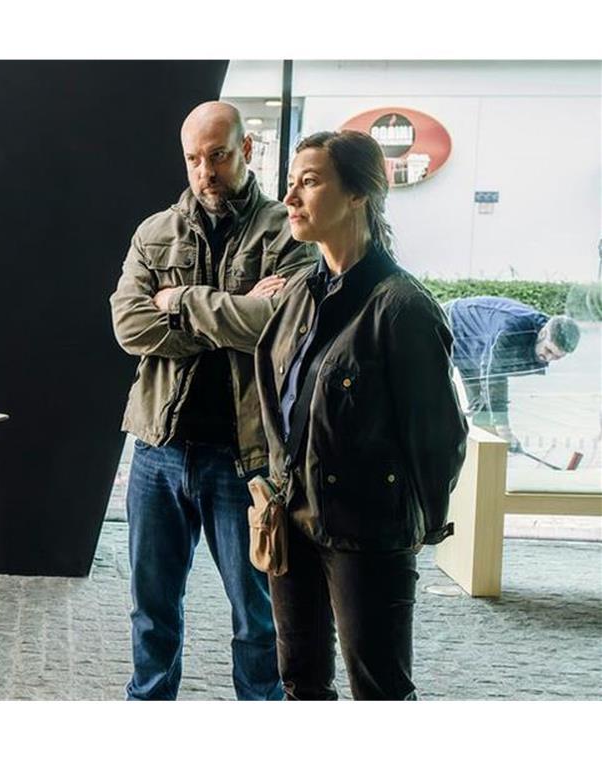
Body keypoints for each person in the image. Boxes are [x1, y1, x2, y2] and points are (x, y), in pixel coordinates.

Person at [109, 101, 315, 700]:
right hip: (158, 451)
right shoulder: (155, 232)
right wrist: (236, 308)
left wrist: (179, 300)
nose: (206, 171)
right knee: (151, 609)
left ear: (247, 151)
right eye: (194, 159)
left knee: (256, 620)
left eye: (219, 155)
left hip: (244, 461)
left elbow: (279, 326)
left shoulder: (286, 230)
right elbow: (129, 328)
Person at [251, 130, 467, 699]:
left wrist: (419, 524)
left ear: (358, 196)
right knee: (299, 681)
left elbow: (439, 436)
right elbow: (277, 398)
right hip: (291, 520)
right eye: (291, 183)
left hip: (368, 531)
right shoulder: (299, 292)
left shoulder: (402, 307)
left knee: (379, 690)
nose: (291, 198)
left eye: (311, 182)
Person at [442, 296, 580, 449]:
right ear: (542, 334)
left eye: (557, 357)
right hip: (450, 322)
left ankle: (488, 456)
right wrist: (505, 430)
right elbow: (495, 377)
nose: (548, 358)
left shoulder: (550, 329)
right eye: (548, 351)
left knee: (483, 409)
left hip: (473, 346)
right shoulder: (512, 330)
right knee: (432, 390)